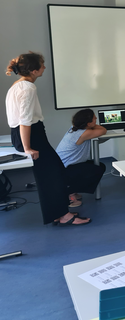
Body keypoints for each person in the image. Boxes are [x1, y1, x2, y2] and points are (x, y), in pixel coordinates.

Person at [5, 52, 90, 226]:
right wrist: (27, 147)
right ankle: (63, 216)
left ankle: (59, 214)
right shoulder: (28, 88)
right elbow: (25, 120)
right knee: (53, 176)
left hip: (25, 134)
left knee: (52, 175)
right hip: (30, 135)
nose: (44, 67)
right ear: (34, 70)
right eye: (42, 65)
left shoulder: (17, 85)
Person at [56, 109, 107, 205]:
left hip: (63, 165)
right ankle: (69, 194)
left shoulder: (74, 128)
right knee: (97, 170)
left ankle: (73, 190)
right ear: (88, 123)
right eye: (94, 118)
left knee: (100, 166)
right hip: (65, 169)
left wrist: (91, 125)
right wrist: (93, 126)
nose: (96, 118)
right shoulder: (84, 133)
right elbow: (103, 130)